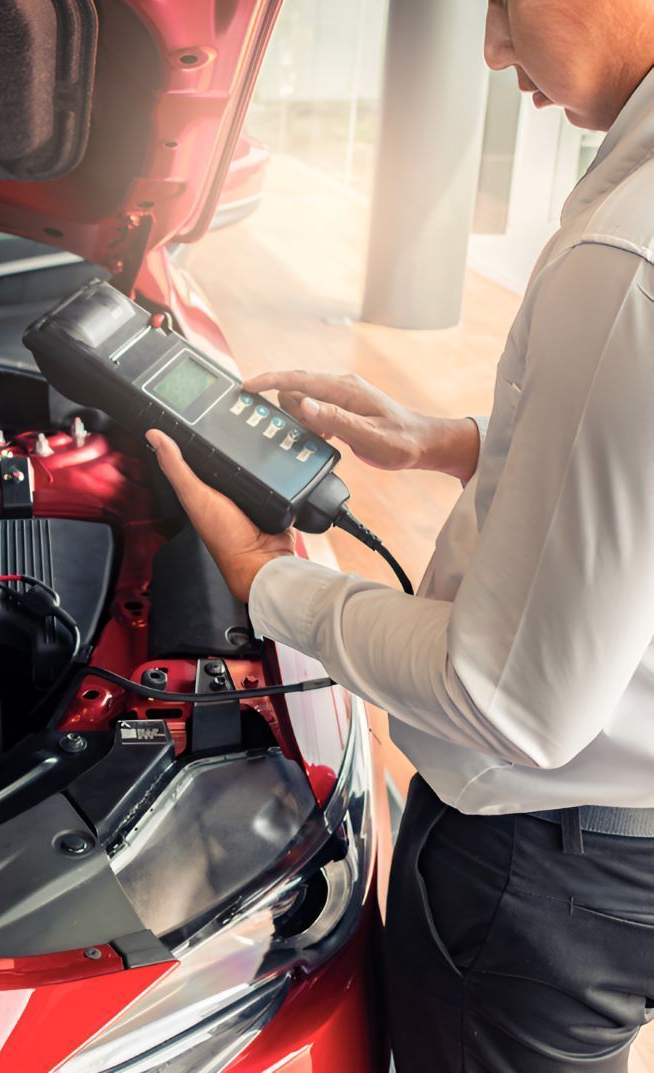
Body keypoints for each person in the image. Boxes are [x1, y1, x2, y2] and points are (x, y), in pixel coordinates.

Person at [147, 2, 654, 1070]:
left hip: (545, 874)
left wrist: (264, 578)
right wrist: (467, 444)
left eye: (504, 6)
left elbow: (511, 699)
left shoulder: (627, 251)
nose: (489, 48)